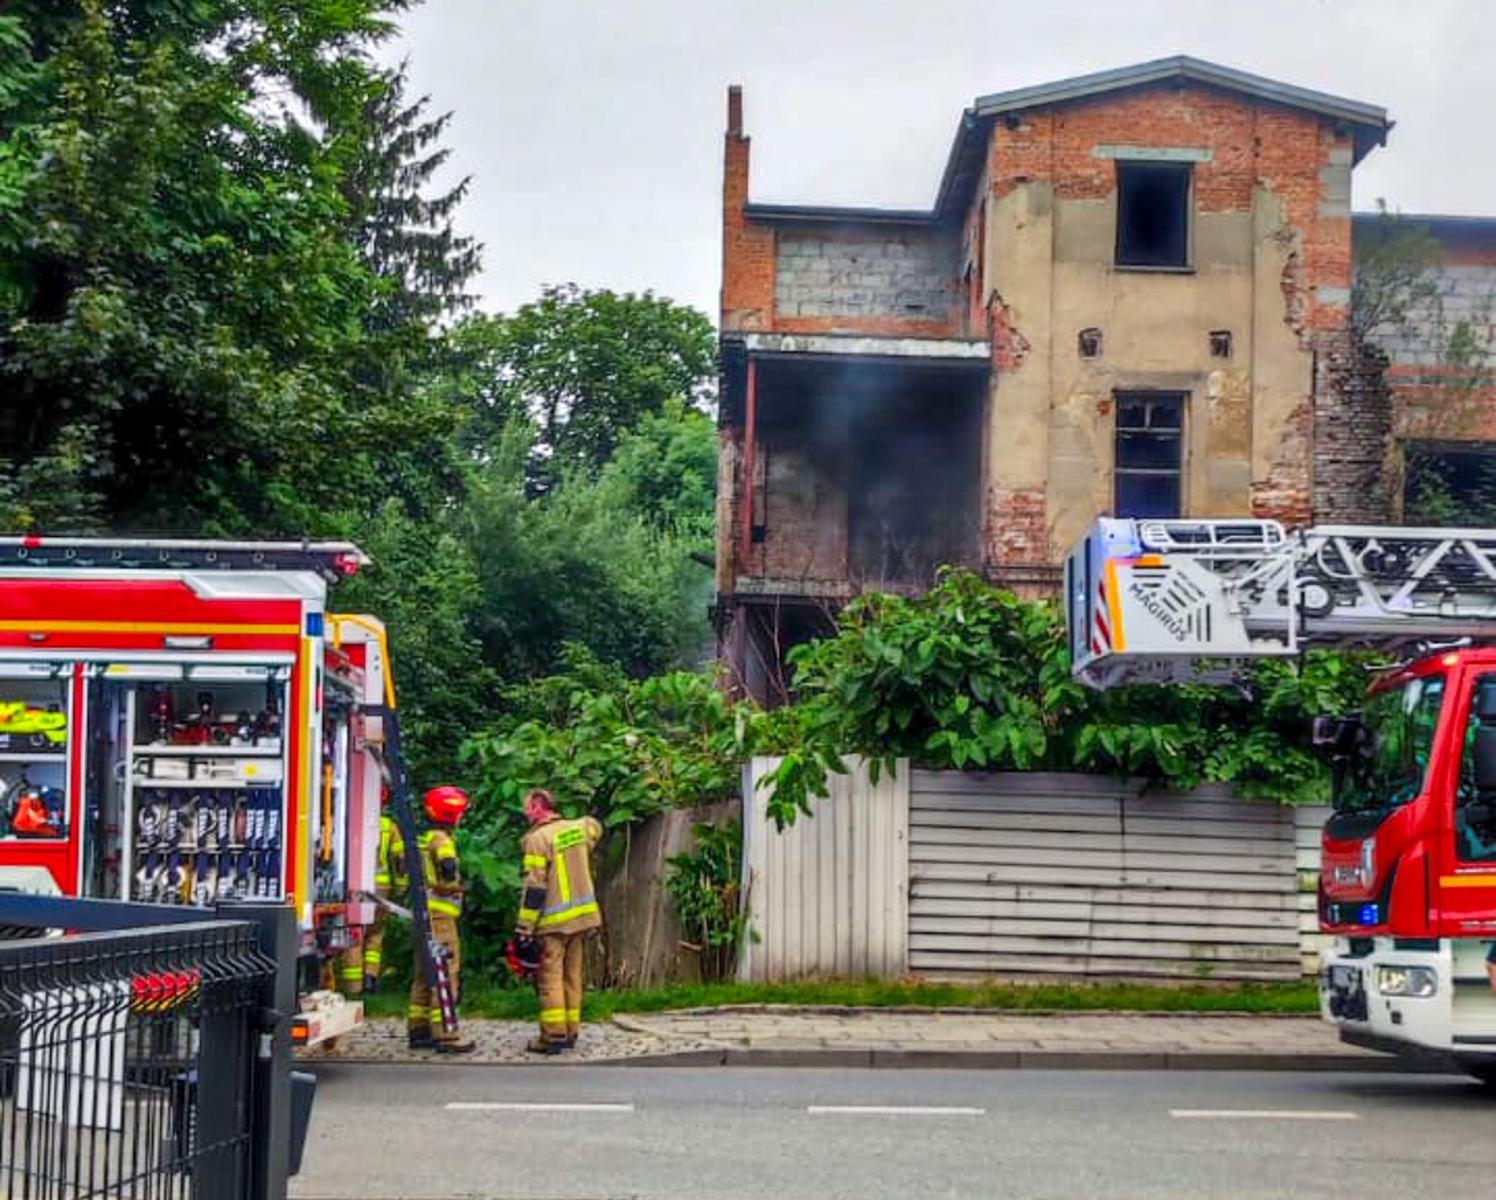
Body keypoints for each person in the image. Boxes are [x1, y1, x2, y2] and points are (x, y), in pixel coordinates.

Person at [516, 789, 603, 1054]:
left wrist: (524, 927)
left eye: (527, 807)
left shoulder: (537, 840)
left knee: (550, 977)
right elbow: (595, 828)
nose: (524, 812)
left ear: (539, 806)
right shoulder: (579, 828)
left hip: (554, 921)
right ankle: (571, 1030)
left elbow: (535, 889)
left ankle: (553, 1035)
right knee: (572, 975)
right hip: (582, 918)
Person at [407, 785, 475, 1054]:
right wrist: (456, 885)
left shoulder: (424, 839)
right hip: (441, 919)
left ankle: (418, 1030)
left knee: (424, 974)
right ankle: (446, 1035)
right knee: (446, 973)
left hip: (423, 916)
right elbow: (448, 870)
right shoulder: (443, 841)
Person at [362, 794, 407, 993]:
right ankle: (369, 978)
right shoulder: (388, 826)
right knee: (375, 934)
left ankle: (351, 986)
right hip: (381, 888)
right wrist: (401, 888)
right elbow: (400, 861)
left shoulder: (352, 818)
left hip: (355, 888)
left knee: (354, 935)